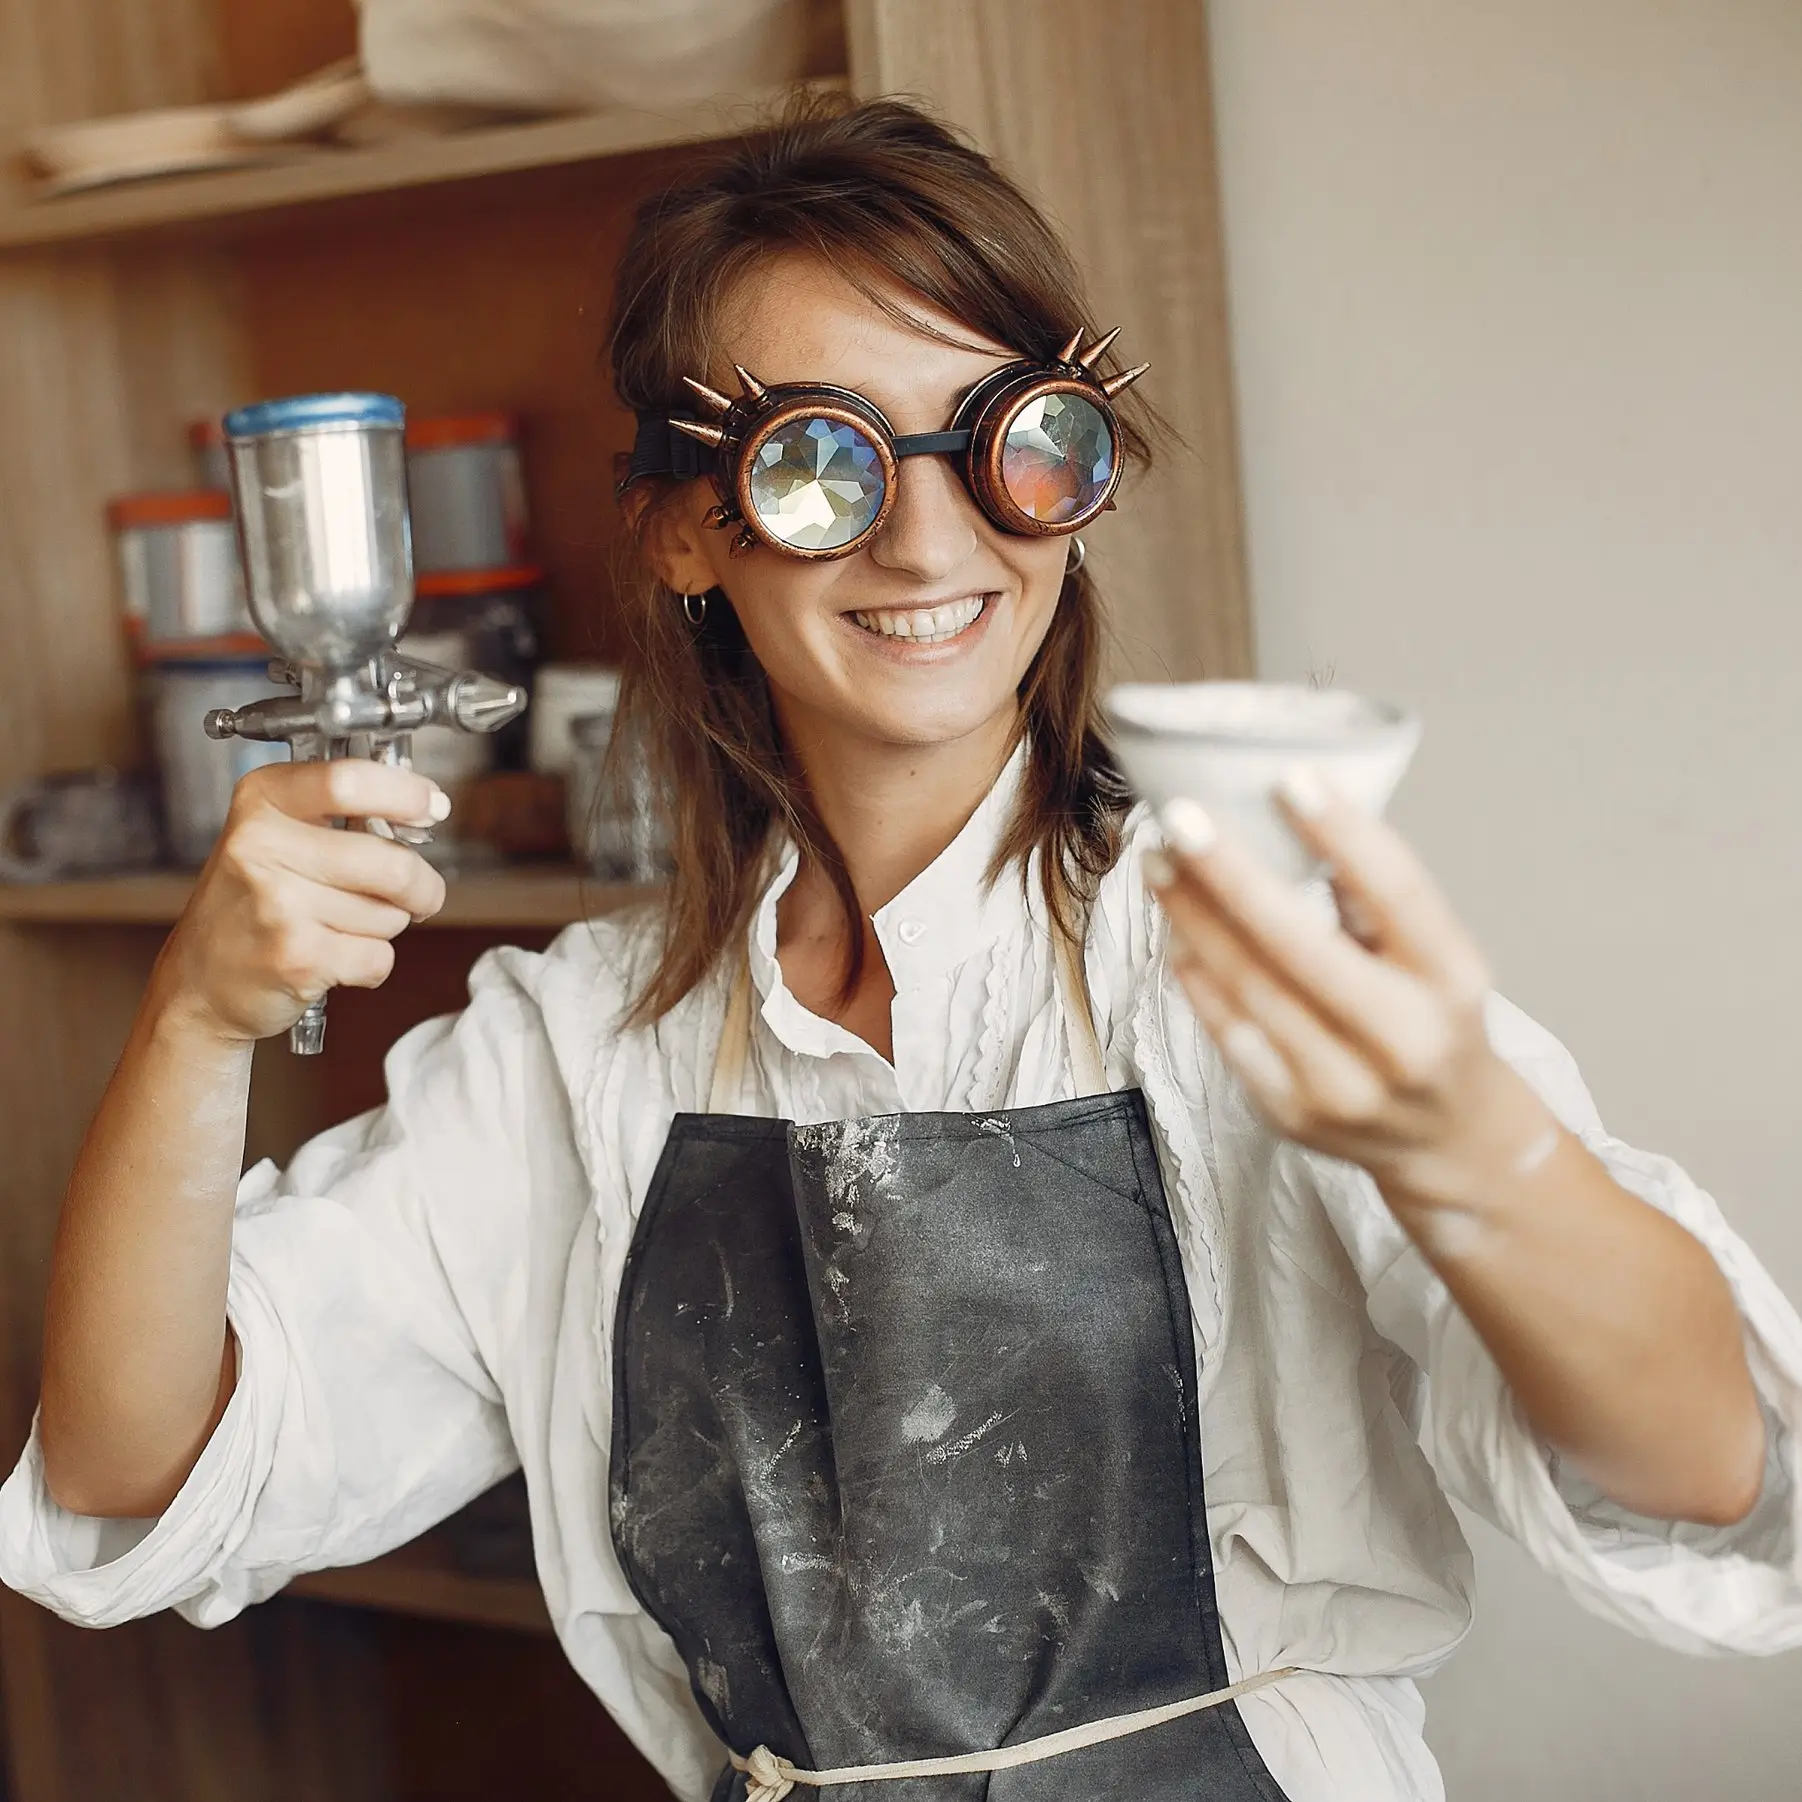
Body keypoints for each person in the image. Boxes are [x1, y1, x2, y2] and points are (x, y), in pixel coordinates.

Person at [5, 96, 1800, 1802]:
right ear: (690, 527)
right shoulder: (578, 1047)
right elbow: (128, 1468)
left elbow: (1710, 1471)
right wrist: (193, 1020)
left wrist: (1462, 1144)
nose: (934, 537)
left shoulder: (1240, 959)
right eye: (820, 461)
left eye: (1012, 442)